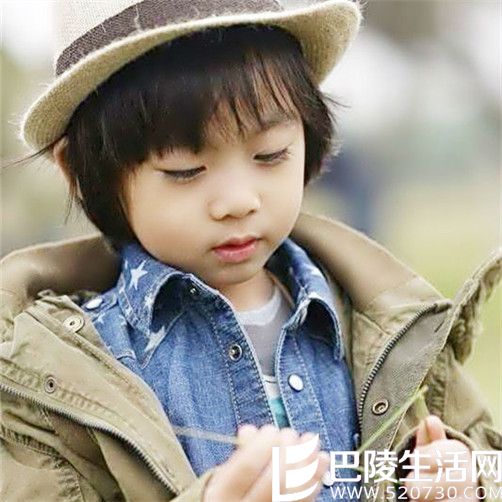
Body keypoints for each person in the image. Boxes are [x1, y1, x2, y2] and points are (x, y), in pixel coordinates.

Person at [1, 1, 501, 501]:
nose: (239, 201)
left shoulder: (384, 326)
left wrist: (464, 478)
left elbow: (484, 454)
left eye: (269, 155)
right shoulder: (59, 375)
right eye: (185, 171)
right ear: (83, 173)